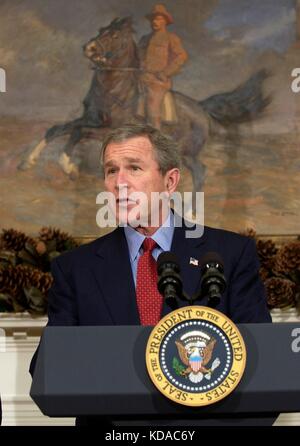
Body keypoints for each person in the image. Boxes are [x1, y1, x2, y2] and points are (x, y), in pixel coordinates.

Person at [30, 122, 272, 425]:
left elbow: (263, 367)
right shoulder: (76, 269)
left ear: (170, 182)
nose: (120, 182)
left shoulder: (230, 254)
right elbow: (48, 369)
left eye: (133, 168)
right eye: (110, 170)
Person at [137, 4, 188, 129]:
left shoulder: (171, 38)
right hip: (140, 79)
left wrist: (165, 73)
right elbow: (136, 57)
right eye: (153, 19)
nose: (155, 21)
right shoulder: (144, 39)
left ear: (165, 21)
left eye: (159, 19)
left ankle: (155, 139)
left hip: (158, 81)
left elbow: (182, 56)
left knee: (152, 107)